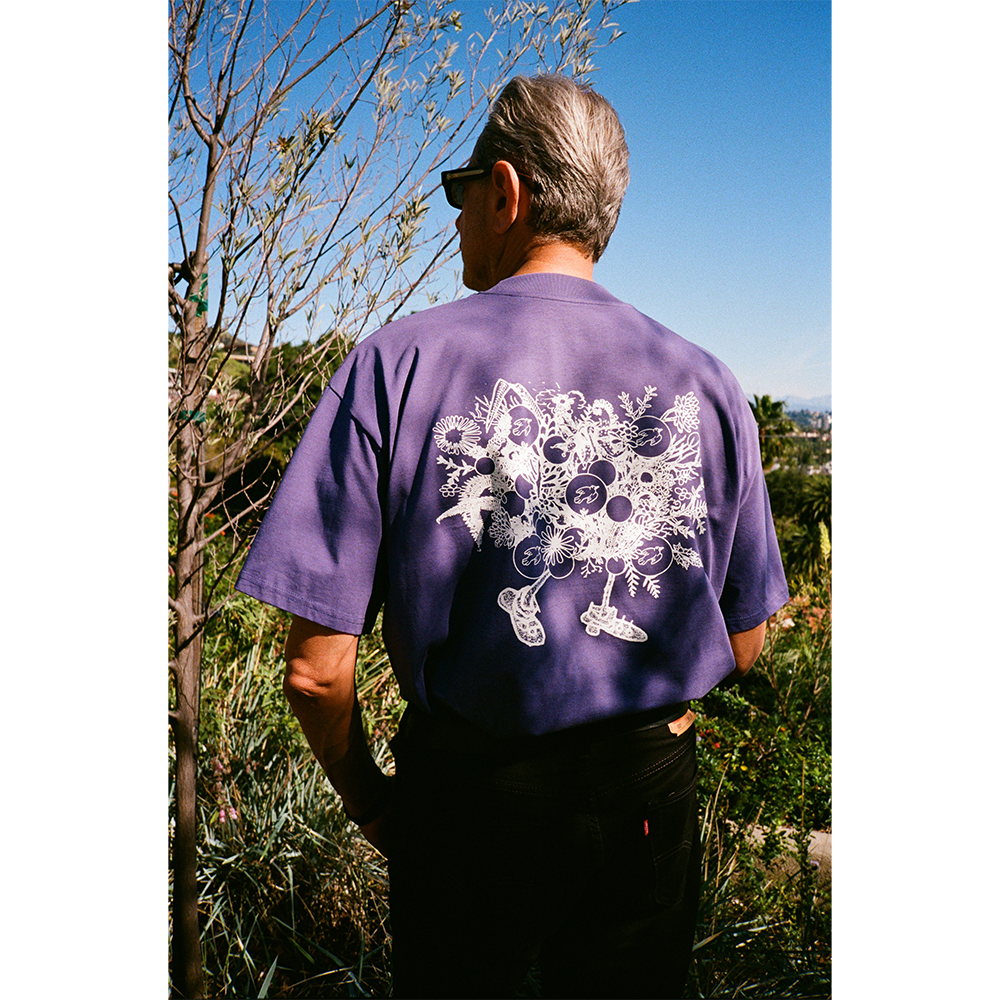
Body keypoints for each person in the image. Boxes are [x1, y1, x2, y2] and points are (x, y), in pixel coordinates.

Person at [235, 74, 788, 998]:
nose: (457, 219)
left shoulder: (394, 366)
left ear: (506, 191)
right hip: (645, 801)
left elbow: (316, 668)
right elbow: (747, 636)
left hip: (468, 805)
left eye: (461, 195)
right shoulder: (707, 383)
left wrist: (377, 804)